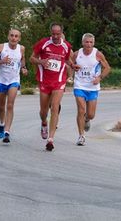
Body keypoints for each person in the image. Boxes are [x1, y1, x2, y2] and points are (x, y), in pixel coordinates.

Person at [30, 23, 74, 151]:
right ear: (51, 32)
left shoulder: (66, 46)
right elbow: (32, 58)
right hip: (44, 81)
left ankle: (51, 139)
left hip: (59, 81)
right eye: (53, 34)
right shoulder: (43, 43)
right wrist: (41, 61)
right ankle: (44, 123)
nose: (55, 36)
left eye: (58, 34)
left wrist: (73, 65)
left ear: (61, 33)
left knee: (55, 107)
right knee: (43, 111)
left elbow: (66, 60)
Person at [0, 29, 27, 143]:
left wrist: (24, 68)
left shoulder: (22, 48)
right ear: (8, 37)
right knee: (1, 106)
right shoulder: (1, 47)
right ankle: (2, 123)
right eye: (12, 36)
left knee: (10, 105)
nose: (14, 38)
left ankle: (7, 132)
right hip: (1, 80)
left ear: (19, 39)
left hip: (14, 80)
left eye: (16, 36)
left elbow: (22, 60)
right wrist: (1, 61)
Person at [72, 33, 111, 146]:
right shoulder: (76, 54)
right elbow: (69, 64)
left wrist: (99, 77)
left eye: (91, 42)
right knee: (81, 110)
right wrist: (71, 72)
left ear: (93, 43)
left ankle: (87, 120)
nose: (88, 44)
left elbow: (107, 68)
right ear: (82, 42)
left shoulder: (97, 54)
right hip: (79, 85)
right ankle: (81, 136)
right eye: (86, 42)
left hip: (93, 88)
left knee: (90, 114)